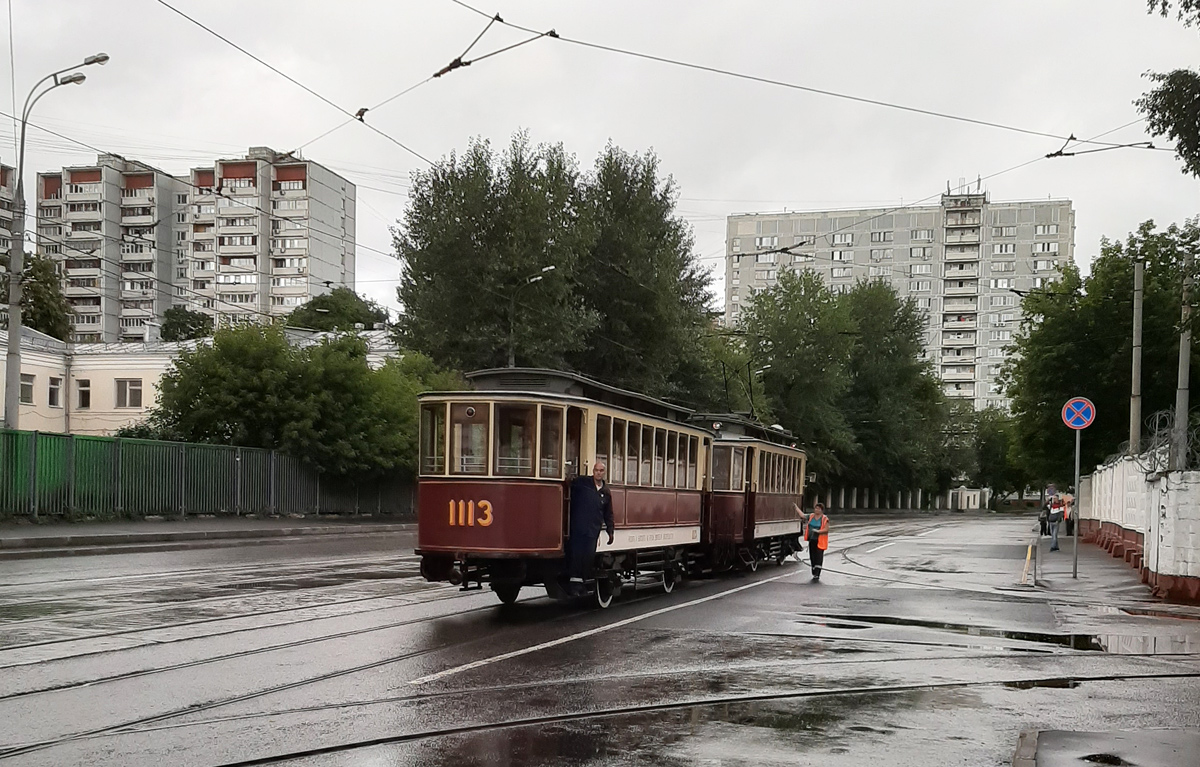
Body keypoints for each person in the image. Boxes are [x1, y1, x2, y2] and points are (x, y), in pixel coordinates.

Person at [566, 460, 614, 596]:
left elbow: (608, 513)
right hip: (578, 527)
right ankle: (574, 585)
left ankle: (582, 583)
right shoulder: (583, 483)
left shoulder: (606, 491)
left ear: (604, 473)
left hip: (593, 530)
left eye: (601, 471)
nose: (598, 473)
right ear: (593, 471)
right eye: (596, 470)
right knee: (576, 555)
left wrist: (610, 531)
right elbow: (570, 484)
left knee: (588, 557)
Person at [804, 502, 830, 580]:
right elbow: (802, 515)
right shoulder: (811, 516)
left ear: (822, 510)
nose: (816, 510)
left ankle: (817, 573)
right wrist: (796, 508)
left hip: (820, 541)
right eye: (816, 508)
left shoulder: (825, 518)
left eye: (818, 508)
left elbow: (826, 529)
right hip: (812, 539)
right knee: (812, 556)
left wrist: (818, 531)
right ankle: (813, 569)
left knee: (818, 556)